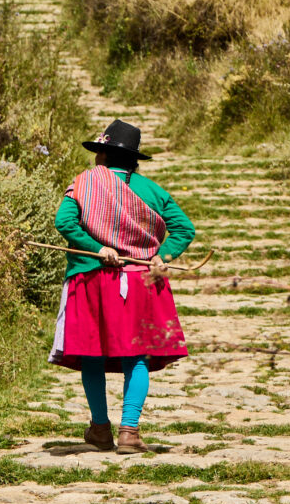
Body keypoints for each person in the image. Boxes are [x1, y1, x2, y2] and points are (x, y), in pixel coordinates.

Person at [50, 119, 195, 453]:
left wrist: (97, 248)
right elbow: (184, 229)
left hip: (92, 278)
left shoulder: (84, 184)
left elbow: (64, 222)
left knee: (92, 355)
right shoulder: (153, 191)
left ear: (103, 154)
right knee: (137, 355)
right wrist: (164, 255)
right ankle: (129, 432)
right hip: (141, 280)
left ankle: (100, 429)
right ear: (133, 159)